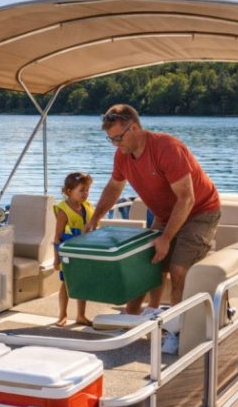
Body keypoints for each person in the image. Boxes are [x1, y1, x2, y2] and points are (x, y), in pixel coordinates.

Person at [85, 104, 221, 316]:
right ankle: (134, 318)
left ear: (134, 128)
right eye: (110, 139)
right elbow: (113, 187)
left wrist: (166, 238)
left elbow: (186, 199)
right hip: (165, 214)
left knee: (177, 270)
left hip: (200, 212)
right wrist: (95, 218)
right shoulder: (122, 155)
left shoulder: (167, 148)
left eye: (118, 138)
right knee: (145, 264)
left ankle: (178, 329)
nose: (114, 144)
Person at [53, 171, 94, 327]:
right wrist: (57, 258)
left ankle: (81, 315)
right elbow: (57, 236)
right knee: (67, 283)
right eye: (81, 190)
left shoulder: (87, 207)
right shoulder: (63, 210)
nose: (85, 194)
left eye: (87, 190)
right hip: (68, 252)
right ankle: (62, 315)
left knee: (82, 283)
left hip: (84, 251)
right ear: (69, 191)